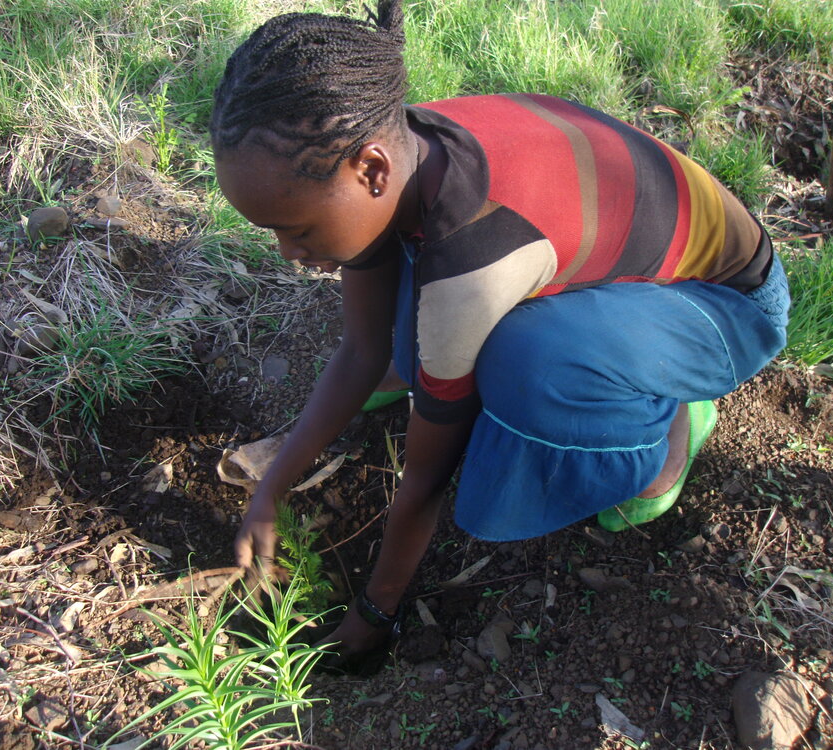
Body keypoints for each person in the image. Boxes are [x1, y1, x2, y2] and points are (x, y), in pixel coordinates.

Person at [209, 0, 790, 667]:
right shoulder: (394, 150)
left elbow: (425, 479)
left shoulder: (468, 257)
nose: (287, 251)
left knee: (524, 364)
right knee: (413, 341)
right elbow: (362, 348)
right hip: (625, 259)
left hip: (726, 303)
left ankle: (669, 429)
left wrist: (375, 615)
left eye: (299, 229)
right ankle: (621, 362)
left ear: (370, 171)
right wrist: (271, 489)